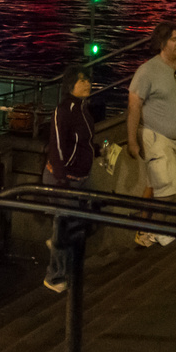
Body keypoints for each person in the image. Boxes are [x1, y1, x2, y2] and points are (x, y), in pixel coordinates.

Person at [127, 22, 176, 248]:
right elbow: (134, 104)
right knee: (167, 184)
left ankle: (143, 231)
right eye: (174, 39)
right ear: (162, 43)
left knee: (154, 185)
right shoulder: (147, 71)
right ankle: (160, 231)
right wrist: (132, 140)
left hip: (174, 138)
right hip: (156, 137)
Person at [42, 65, 97, 293]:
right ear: (70, 85)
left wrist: (99, 151)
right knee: (66, 225)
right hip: (64, 179)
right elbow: (56, 147)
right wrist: (61, 178)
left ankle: (57, 247)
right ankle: (54, 277)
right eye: (81, 80)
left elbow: (83, 142)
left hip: (79, 178)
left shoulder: (84, 109)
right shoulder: (64, 110)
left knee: (73, 225)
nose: (87, 84)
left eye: (88, 80)